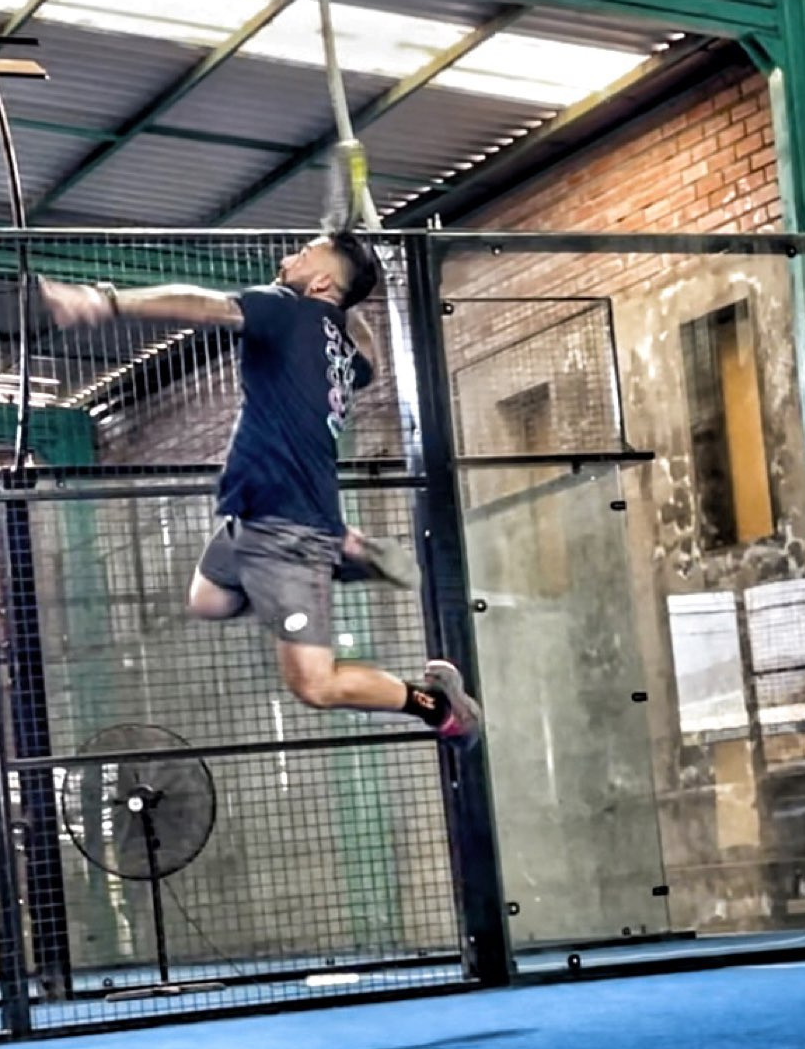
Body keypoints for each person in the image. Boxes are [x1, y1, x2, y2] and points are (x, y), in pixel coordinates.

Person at [38, 233, 482, 743]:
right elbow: (371, 363)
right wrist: (345, 301)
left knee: (315, 685)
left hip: (288, 532)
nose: (285, 259)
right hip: (254, 518)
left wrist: (106, 301)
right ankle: (339, 555)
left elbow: (206, 305)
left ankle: (437, 706)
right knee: (208, 600)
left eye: (303, 254)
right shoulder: (337, 348)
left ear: (320, 282)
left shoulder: (286, 309)